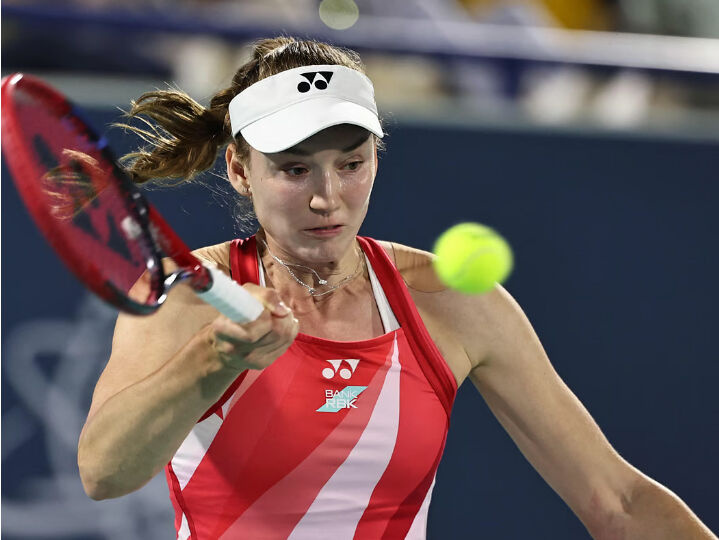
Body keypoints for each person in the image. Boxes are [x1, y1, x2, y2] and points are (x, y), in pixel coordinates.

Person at [77, 37, 716, 540]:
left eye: (351, 164)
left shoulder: (451, 301)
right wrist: (215, 359)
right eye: (295, 170)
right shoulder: (190, 296)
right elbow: (104, 473)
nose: (328, 197)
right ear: (240, 171)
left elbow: (617, 501)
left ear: (377, 158)